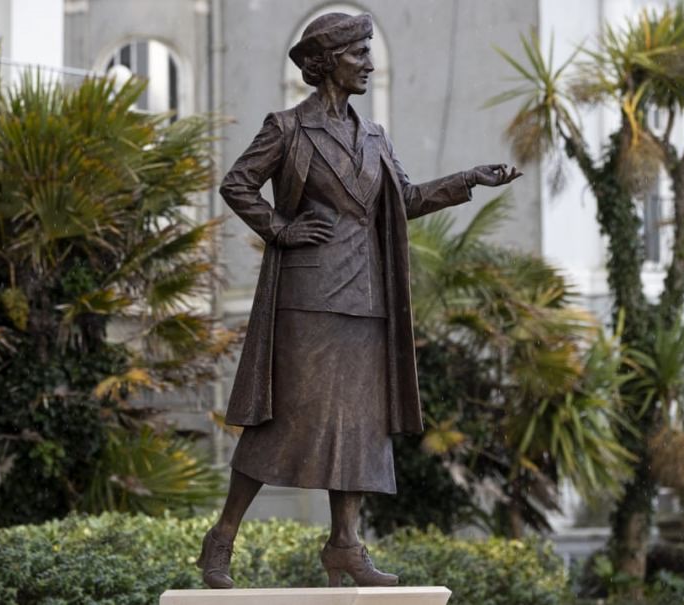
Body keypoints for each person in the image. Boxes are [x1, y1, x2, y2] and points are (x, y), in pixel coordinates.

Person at [197, 12, 521, 589]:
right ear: (328, 63)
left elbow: (405, 200)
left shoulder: (375, 136)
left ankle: (345, 544)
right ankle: (221, 539)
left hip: (367, 299)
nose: (369, 64)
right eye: (359, 53)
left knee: (361, 426)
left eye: (369, 52)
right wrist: (279, 228)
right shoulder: (288, 128)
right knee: (280, 422)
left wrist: (468, 179)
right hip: (306, 300)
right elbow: (237, 183)